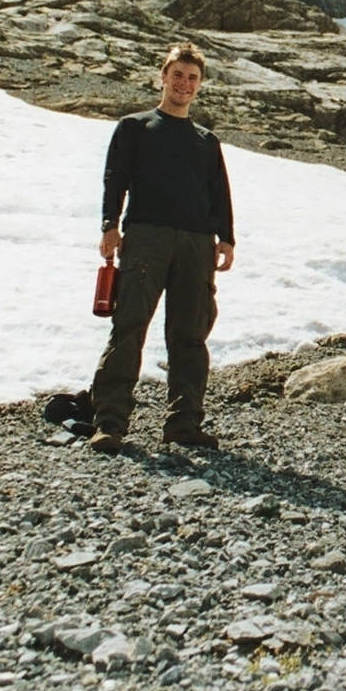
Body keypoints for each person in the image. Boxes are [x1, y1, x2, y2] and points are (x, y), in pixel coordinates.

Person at [87, 43, 236, 454]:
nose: (184, 84)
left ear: (200, 85)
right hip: (146, 238)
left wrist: (226, 238)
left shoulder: (206, 141)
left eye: (192, 78)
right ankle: (109, 423)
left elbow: (218, 192)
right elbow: (114, 180)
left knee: (190, 335)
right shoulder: (135, 127)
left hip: (196, 244)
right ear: (163, 76)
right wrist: (109, 226)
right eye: (178, 75)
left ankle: (183, 423)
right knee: (130, 326)